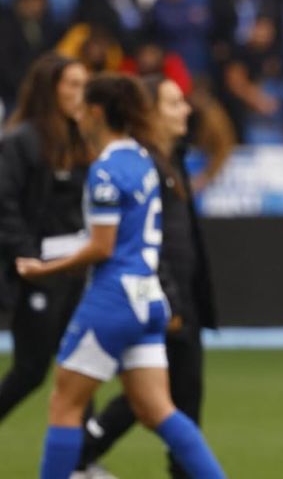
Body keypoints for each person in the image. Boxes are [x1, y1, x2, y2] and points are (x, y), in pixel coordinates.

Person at [15, 73, 225, 479]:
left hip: (114, 298)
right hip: (149, 298)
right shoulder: (143, 160)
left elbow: (102, 247)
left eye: (81, 105)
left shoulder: (105, 169)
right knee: (158, 410)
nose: (75, 113)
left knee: (64, 404)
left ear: (95, 112)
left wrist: (45, 268)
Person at [75, 75, 218, 478]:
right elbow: (148, 244)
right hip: (160, 301)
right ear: (149, 112)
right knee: (158, 401)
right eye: (174, 104)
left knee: (161, 400)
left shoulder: (172, 161)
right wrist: (169, 296)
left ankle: (79, 458)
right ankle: (78, 458)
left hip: (179, 300)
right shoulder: (144, 166)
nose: (185, 110)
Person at [0, 53, 89, 424]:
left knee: (83, 369)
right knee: (31, 370)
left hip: (78, 270)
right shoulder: (21, 142)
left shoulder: (82, 140)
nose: (81, 93)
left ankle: (82, 459)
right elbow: (4, 204)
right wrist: (27, 256)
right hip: (39, 271)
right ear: (50, 89)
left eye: (85, 85)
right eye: (73, 84)